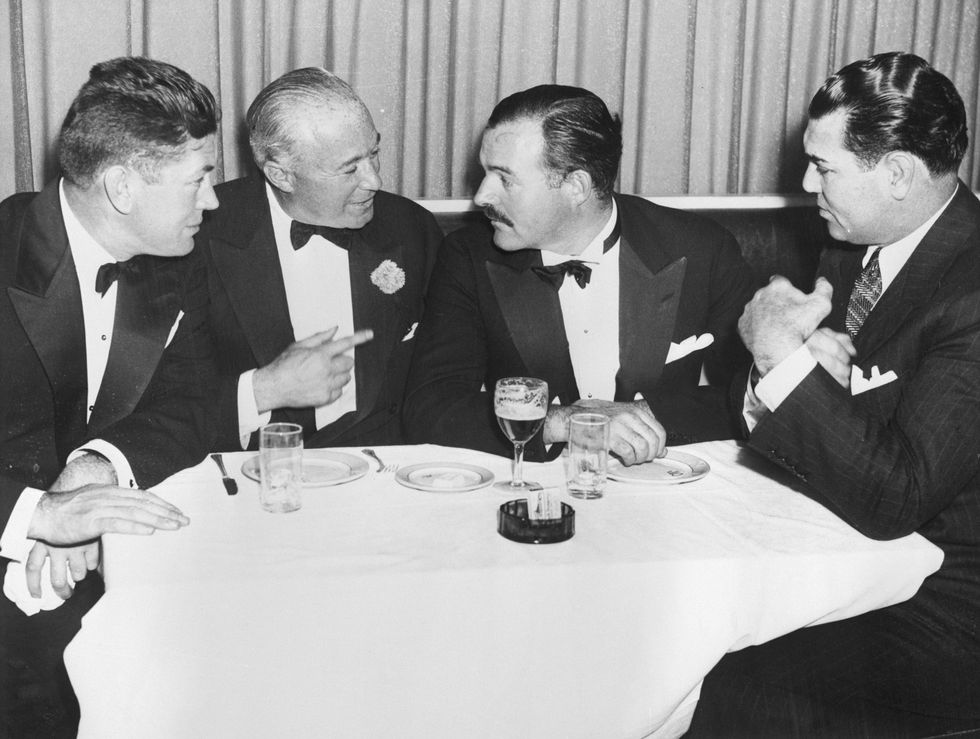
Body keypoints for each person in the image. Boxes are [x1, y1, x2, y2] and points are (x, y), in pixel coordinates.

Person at [687, 52, 980, 736]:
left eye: (824, 166)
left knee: (734, 684)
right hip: (848, 557)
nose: (803, 182)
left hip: (947, 604)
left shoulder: (972, 290)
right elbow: (799, 413)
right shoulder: (854, 246)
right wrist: (782, 379)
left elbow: (897, 495)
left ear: (899, 173)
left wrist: (781, 361)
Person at [0, 56, 220, 736]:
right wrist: (40, 514)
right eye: (200, 180)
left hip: (105, 572)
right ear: (123, 186)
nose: (213, 201)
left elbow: (191, 402)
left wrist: (95, 465)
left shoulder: (175, 260)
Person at [402, 85, 756, 464]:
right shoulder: (468, 257)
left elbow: (750, 394)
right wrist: (563, 422)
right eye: (485, 172)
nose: (482, 196)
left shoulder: (701, 249)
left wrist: (645, 423)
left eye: (504, 178)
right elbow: (430, 406)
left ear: (576, 186)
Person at [198, 67, 442, 450]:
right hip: (252, 473)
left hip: (383, 472)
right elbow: (165, 401)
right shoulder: (202, 235)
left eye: (373, 154)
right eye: (350, 168)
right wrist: (262, 391)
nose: (374, 181)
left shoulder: (411, 229)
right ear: (281, 175)